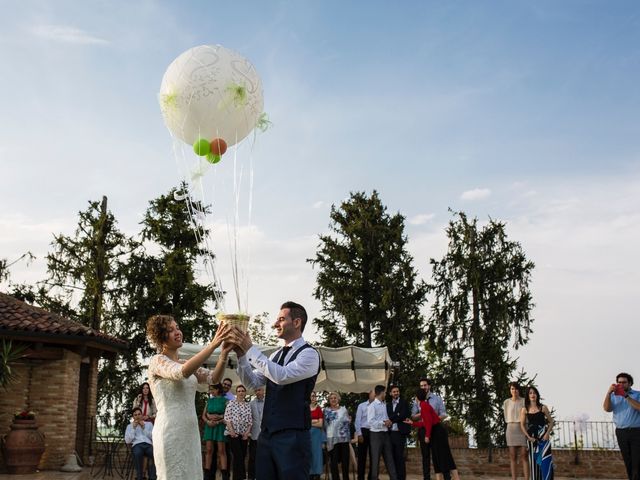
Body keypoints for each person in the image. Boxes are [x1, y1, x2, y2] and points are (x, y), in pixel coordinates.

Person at [229, 301, 320, 480]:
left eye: (280, 319)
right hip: (267, 435)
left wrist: (250, 348)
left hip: (293, 436)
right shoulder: (275, 355)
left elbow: (282, 376)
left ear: (297, 322)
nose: (275, 324)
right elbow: (253, 383)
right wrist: (241, 355)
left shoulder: (309, 354)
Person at [146, 314, 232, 480]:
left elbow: (214, 378)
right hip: (170, 430)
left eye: (177, 327)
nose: (177, 332)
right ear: (161, 337)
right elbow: (181, 372)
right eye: (170, 330)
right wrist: (212, 345)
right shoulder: (157, 361)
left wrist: (223, 354)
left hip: (190, 431)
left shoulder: (185, 361)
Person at [410, 389, 460, 480]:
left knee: (444, 457)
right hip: (435, 432)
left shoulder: (424, 406)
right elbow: (426, 423)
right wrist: (412, 423)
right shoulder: (424, 405)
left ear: (417, 398)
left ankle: (455, 478)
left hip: (438, 433)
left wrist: (427, 436)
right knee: (437, 458)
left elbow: (428, 423)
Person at [603, 372, 640, 480]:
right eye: (619, 382)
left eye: (624, 382)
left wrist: (626, 396)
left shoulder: (638, 394)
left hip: (637, 432)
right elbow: (607, 408)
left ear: (630, 383)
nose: (621, 384)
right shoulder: (614, 396)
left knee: (637, 463)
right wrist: (608, 393)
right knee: (628, 462)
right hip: (621, 433)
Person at [519, 386, 554, 480]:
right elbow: (522, 425)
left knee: (545, 462)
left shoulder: (543, 407)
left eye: (534, 393)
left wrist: (547, 434)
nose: (532, 395)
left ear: (537, 395)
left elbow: (551, 422)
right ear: (528, 396)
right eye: (530, 393)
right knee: (534, 464)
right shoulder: (524, 409)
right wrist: (528, 437)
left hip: (544, 438)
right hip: (532, 439)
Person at [368, 385, 398, 480]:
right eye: (385, 392)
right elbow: (370, 422)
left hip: (385, 435)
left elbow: (385, 419)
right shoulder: (372, 406)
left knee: (390, 460)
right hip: (375, 436)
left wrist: (388, 422)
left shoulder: (384, 404)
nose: (386, 394)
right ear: (381, 393)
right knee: (375, 461)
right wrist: (384, 423)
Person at [224, 384, 252, 480]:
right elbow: (227, 419)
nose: (241, 392)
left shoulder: (248, 406)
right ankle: (241, 477)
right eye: (239, 391)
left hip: (243, 435)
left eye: (242, 391)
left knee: (243, 456)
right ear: (236, 393)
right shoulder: (231, 403)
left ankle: (239, 477)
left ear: (245, 393)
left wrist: (247, 433)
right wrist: (232, 431)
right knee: (238, 456)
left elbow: (250, 421)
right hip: (233, 434)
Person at [202, 383, 228, 480]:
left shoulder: (225, 401)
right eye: (210, 389)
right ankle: (207, 475)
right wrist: (208, 421)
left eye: (212, 389)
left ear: (218, 389)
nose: (211, 391)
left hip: (220, 426)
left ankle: (224, 475)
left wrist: (220, 419)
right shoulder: (209, 401)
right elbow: (203, 415)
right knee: (208, 450)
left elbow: (228, 415)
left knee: (221, 450)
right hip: (209, 426)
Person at [503, 382, 528, 480]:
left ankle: (527, 478)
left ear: (519, 390)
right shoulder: (506, 402)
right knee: (513, 456)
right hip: (511, 429)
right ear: (510, 390)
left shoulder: (524, 401)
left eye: (516, 389)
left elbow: (527, 415)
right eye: (512, 389)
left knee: (524, 455)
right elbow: (506, 416)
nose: (514, 391)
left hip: (522, 428)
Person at [324, 391, 352, 480]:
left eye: (335, 398)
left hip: (344, 439)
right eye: (331, 398)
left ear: (338, 399)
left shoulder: (344, 409)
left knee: (345, 461)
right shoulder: (326, 410)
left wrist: (349, 421)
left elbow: (348, 421)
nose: (333, 399)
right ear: (329, 400)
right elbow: (324, 425)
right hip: (331, 439)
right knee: (334, 462)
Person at [124, 406, 157, 480]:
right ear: (133, 417)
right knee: (138, 453)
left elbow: (153, 437)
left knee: (154, 454)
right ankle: (139, 477)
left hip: (148, 444)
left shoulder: (149, 424)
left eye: (139, 414)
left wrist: (144, 427)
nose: (137, 416)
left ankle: (152, 477)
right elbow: (128, 441)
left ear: (142, 415)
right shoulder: (129, 426)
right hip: (137, 445)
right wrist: (133, 428)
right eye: (135, 415)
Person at [387, 385, 411, 480]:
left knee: (400, 457)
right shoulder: (388, 405)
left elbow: (403, 415)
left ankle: (401, 478)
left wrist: (392, 419)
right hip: (390, 434)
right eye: (394, 391)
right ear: (390, 393)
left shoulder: (404, 403)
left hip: (400, 433)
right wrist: (396, 415)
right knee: (392, 457)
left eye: (397, 391)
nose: (396, 393)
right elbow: (389, 415)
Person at [355, 389, 375, 480]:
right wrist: (359, 434)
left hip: (374, 432)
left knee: (374, 457)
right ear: (369, 394)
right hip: (363, 431)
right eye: (374, 393)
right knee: (361, 457)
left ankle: (372, 477)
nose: (375, 395)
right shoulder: (361, 406)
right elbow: (357, 421)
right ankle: (360, 477)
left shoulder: (379, 406)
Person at [248, 386, 265, 480]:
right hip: (254, 434)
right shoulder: (251, 403)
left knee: (264, 457)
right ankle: (251, 477)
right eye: (256, 390)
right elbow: (249, 419)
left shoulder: (269, 403)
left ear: (263, 391)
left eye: (259, 390)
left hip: (266, 434)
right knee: (252, 457)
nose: (257, 392)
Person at [309, 391, 325, 480]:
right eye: (311, 396)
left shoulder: (319, 409)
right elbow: (304, 423)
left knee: (317, 455)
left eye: (314, 396)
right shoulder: (305, 409)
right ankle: (309, 474)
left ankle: (317, 474)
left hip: (317, 436)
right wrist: (315, 421)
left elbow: (320, 424)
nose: (313, 398)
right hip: (307, 436)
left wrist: (310, 422)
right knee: (309, 454)